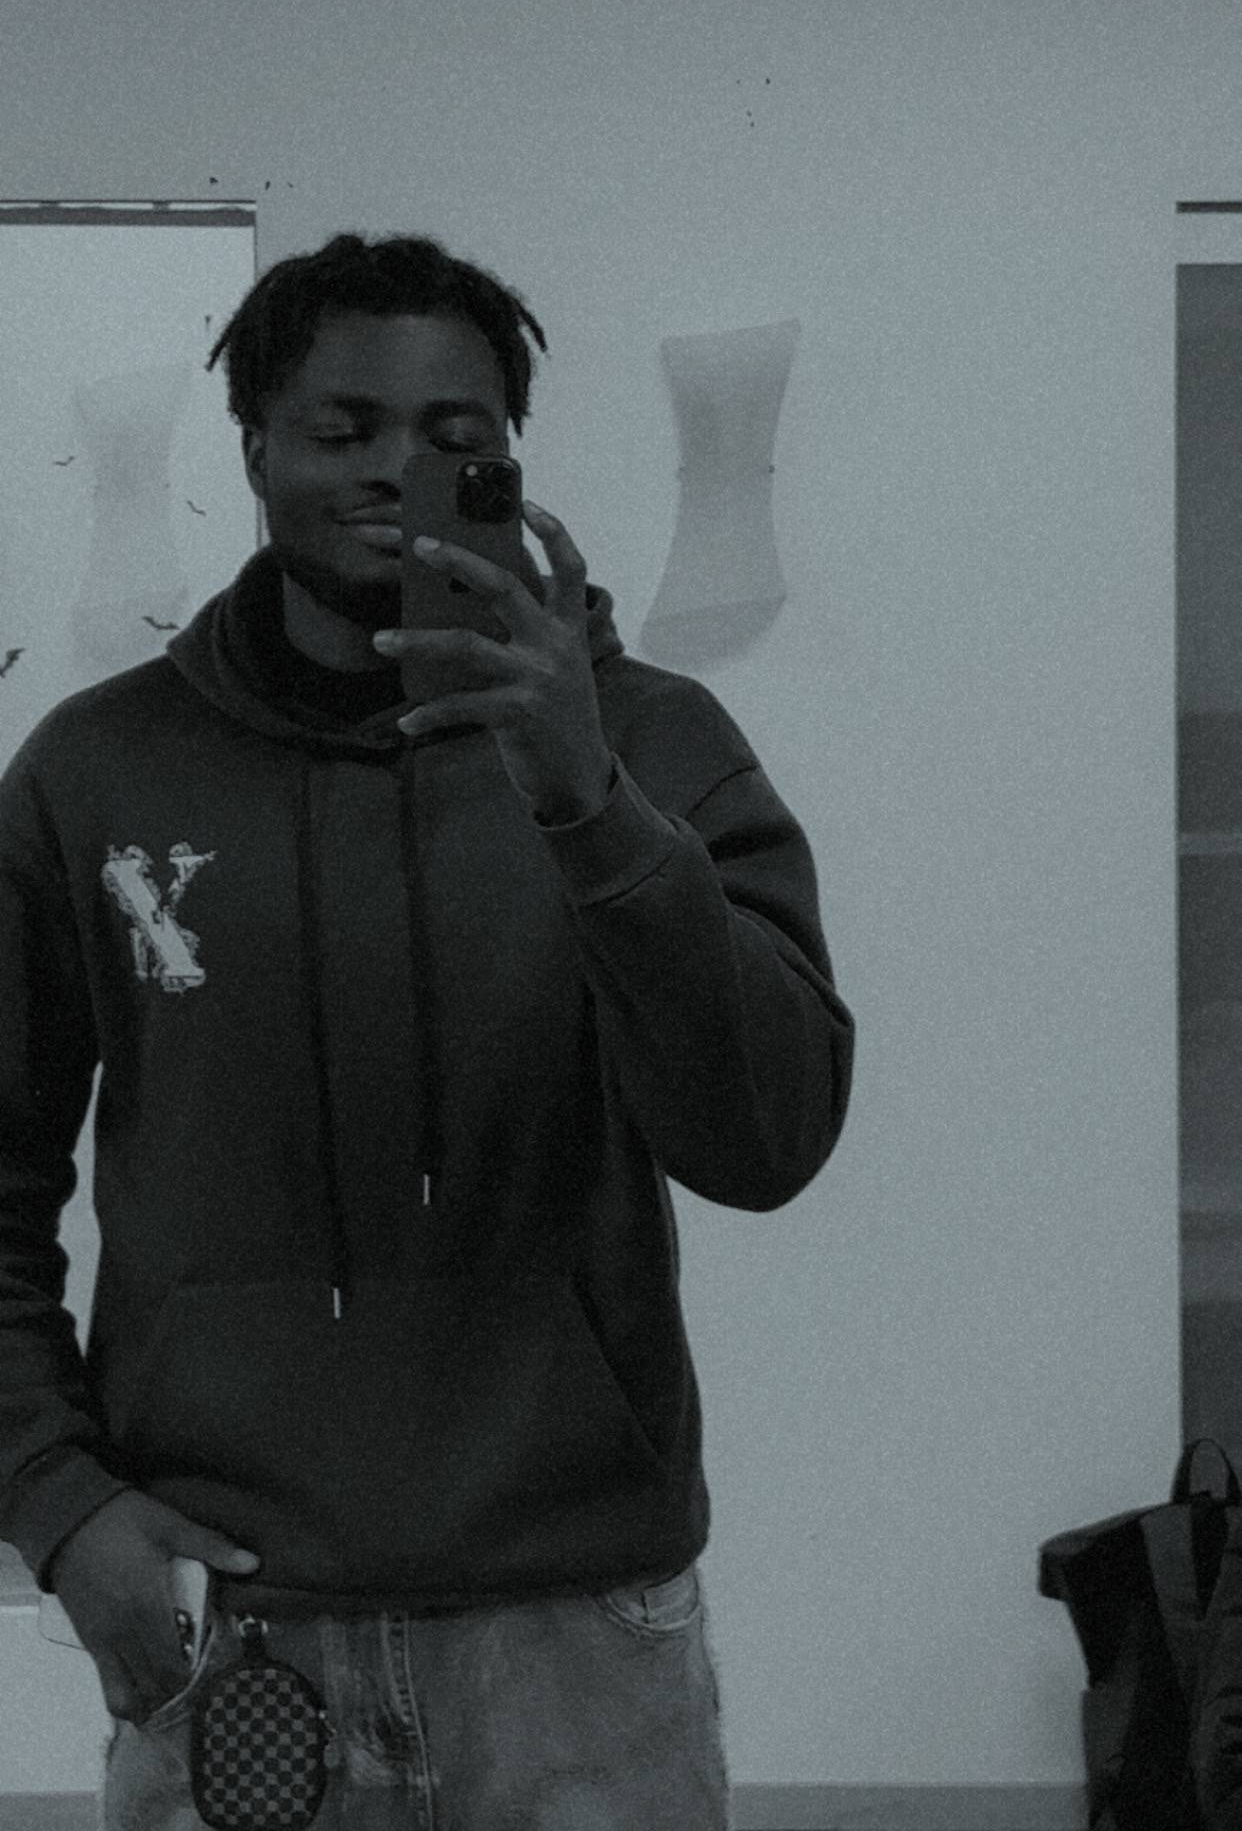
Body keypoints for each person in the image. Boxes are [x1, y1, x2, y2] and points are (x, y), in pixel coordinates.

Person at [0, 230, 855, 1830]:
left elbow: (770, 1138)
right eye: (344, 429)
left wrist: (586, 801)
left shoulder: (653, 741)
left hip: (578, 1642)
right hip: (231, 1623)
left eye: (455, 437)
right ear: (252, 447)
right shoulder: (95, 772)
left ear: (507, 463)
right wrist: (55, 1504)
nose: (397, 469)